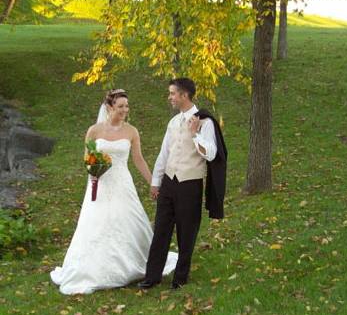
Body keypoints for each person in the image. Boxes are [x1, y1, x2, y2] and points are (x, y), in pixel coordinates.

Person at [51, 89, 177, 295]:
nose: (125, 110)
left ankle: (137, 262)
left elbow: (138, 159)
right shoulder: (94, 131)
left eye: (127, 106)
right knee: (97, 222)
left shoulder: (131, 131)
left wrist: (154, 183)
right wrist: (93, 171)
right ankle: (94, 268)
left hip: (122, 183)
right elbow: (88, 156)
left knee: (127, 218)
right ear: (110, 107)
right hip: (100, 184)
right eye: (120, 107)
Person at [138, 78, 227, 291]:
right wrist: (155, 182)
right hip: (169, 181)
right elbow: (164, 154)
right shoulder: (173, 122)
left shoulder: (205, 122)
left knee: (187, 232)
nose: (169, 97)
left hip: (190, 183)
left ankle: (180, 277)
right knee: (160, 229)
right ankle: (152, 276)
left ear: (184, 95)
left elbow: (212, 154)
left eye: (172, 94)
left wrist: (195, 134)